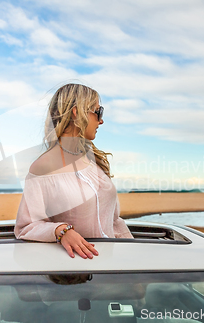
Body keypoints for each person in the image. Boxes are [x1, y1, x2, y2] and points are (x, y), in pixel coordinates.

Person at [14, 83, 133, 259]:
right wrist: (61, 231)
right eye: (98, 112)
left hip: (110, 266)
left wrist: (132, 256)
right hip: (75, 269)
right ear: (77, 113)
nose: (101, 121)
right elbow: (26, 226)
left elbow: (114, 223)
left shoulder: (95, 161)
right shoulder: (43, 167)